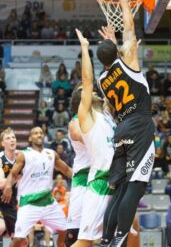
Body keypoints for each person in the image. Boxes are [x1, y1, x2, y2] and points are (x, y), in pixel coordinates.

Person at [97, 0, 155, 246]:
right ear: (117, 53)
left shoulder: (101, 79)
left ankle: (108, 238)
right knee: (136, 185)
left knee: (120, 189)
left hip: (120, 129)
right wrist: (124, 0)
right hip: (139, 125)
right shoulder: (129, 62)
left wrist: (112, 46)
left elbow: (110, 105)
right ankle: (120, 237)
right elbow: (130, 31)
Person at [71, 29, 116, 247]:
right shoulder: (86, 117)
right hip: (100, 181)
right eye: (87, 92)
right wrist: (85, 48)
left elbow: (114, 84)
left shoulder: (106, 113)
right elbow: (88, 81)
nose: (95, 91)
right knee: (84, 242)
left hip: (116, 180)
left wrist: (114, 47)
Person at [1, 126, 72, 247]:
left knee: (64, 229)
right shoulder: (23, 155)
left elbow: (67, 170)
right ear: (30, 138)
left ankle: (60, 244)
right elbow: (10, 176)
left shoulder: (51, 153)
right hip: (26, 203)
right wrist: (8, 186)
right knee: (19, 239)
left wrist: (84, 177)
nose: (39, 135)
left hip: (48, 202)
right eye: (35, 133)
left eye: (41, 133)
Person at [66, 85, 91, 246]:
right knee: (74, 233)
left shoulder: (103, 118)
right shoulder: (75, 122)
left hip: (103, 176)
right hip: (83, 177)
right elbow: (89, 139)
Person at [0, 128, 18, 245]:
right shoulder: (0, 158)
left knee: (20, 238)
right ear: (2, 143)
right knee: (0, 227)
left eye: (13, 137)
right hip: (1, 199)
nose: (12, 140)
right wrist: (19, 176)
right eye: (8, 138)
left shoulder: (21, 157)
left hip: (13, 201)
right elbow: (1, 183)